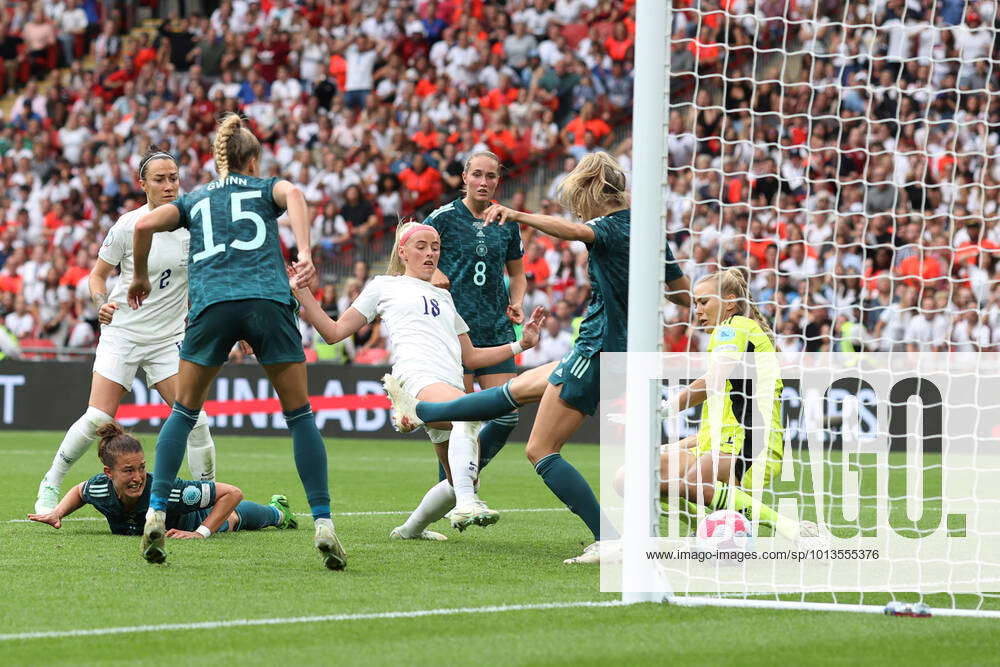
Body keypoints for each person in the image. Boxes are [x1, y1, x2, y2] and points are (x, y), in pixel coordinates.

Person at [384, 152, 691, 563]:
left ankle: (610, 538)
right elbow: (682, 295)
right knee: (517, 392)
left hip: (597, 346)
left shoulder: (611, 226)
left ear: (592, 191)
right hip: (620, 350)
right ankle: (421, 413)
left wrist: (519, 216)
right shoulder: (651, 232)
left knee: (541, 449)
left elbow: (573, 231)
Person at [126, 113, 344, 570]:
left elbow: (142, 227)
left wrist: (141, 276)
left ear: (218, 159)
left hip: (211, 306)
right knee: (300, 415)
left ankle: (156, 512)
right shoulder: (266, 188)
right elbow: (297, 195)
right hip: (267, 300)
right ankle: (323, 523)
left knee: (183, 412)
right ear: (254, 157)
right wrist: (304, 254)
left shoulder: (195, 197)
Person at [291, 221, 544, 536]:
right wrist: (303, 295)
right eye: (421, 246)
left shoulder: (445, 298)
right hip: (416, 378)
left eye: (435, 247)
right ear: (402, 251)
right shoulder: (384, 285)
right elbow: (333, 333)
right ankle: (467, 503)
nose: (430, 254)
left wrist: (522, 344)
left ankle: (410, 530)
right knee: (468, 417)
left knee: (457, 480)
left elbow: (472, 358)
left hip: (446, 385)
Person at [34, 147, 216, 515]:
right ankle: (51, 482)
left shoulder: (194, 225)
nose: (169, 186)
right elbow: (97, 275)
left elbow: (207, 279)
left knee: (197, 419)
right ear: (143, 184)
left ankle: (207, 498)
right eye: (160, 180)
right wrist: (100, 300)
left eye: (174, 178)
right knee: (99, 417)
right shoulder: (127, 226)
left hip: (166, 340)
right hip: (123, 333)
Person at [648, 269, 818, 541]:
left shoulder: (733, 328)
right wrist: (673, 442)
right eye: (695, 304)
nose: (698, 311)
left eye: (704, 302)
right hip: (721, 442)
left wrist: (663, 409)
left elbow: (714, 379)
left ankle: (794, 530)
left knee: (694, 482)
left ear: (729, 302)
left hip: (753, 441)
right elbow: (717, 403)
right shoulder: (729, 336)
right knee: (639, 474)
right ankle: (704, 526)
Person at [423, 150, 525, 489]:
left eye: (491, 176)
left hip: (496, 327)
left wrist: (518, 301)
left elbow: (518, 274)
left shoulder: (506, 221)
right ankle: (453, 492)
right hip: (454, 331)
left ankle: (464, 475)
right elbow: (409, 251)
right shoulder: (443, 217)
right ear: (465, 177)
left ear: (498, 179)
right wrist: (434, 271)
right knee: (459, 422)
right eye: (477, 174)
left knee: (508, 414)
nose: (484, 182)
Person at [28, 422, 296, 537]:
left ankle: (278, 512)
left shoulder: (168, 491)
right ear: (108, 473)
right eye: (128, 471)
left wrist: (201, 533)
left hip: (197, 518)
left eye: (142, 468)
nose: (137, 477)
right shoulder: (100, 487)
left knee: (231, 518)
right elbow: (80, 490)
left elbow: (232, 493)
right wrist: (58, 512)